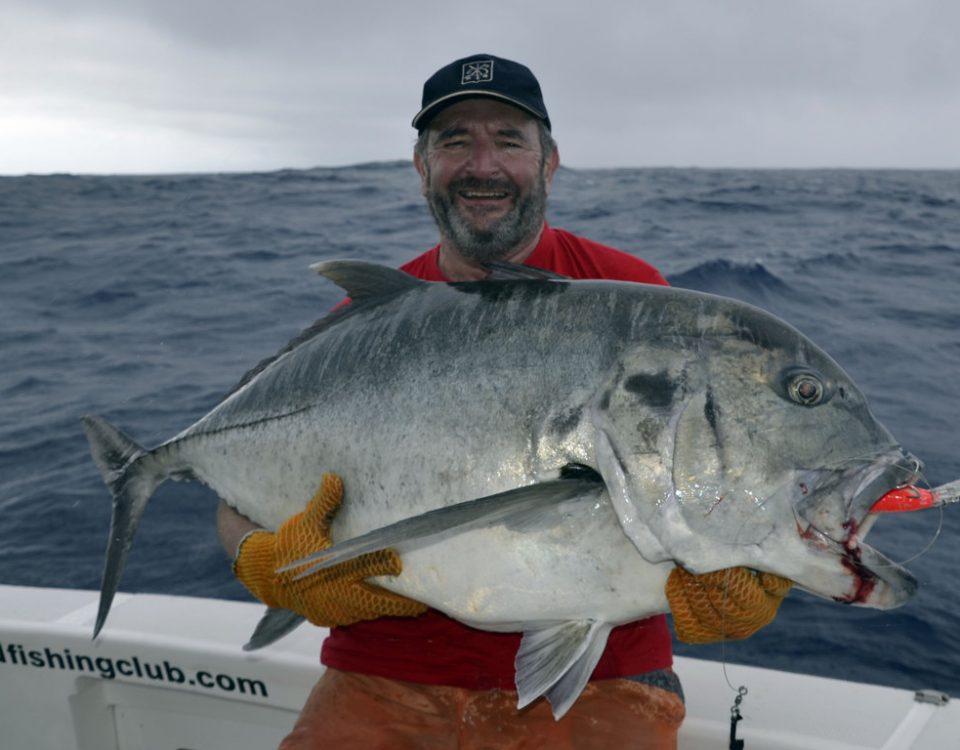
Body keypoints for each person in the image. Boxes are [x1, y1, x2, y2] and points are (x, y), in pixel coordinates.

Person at [218, 53, 791, 749]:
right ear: (421, 167)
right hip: (382, 667)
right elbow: (238, 500)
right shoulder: (367, 323)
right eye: (454, 141)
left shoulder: (630, 296)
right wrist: (264, 561)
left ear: (549, 163)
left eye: (509, 140)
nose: (481, 164)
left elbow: (696, 463)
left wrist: (748, 551)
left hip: (601, 673)